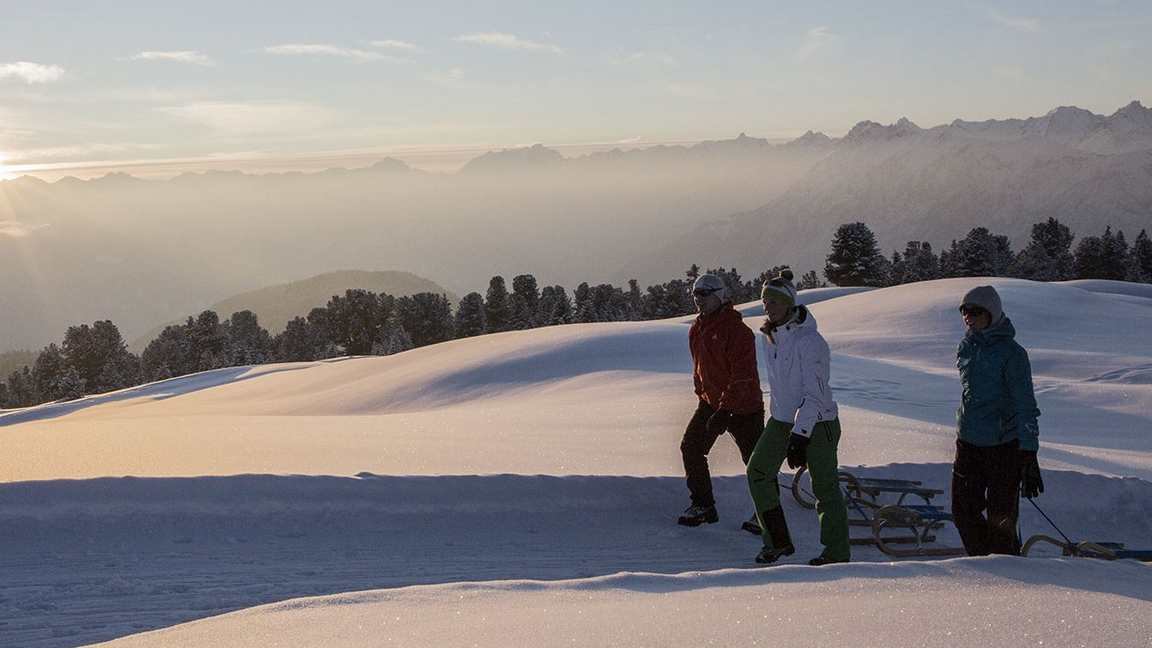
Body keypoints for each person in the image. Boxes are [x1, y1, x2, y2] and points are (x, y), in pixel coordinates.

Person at [746, 268, 850, 566]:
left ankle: (836, 553)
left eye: (774, 302)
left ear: (790, 305)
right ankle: (777, 541)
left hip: (819, 423)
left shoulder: (810, 341)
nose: (768, 307)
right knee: (758, 473)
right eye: (765, 302)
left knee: (824, 487)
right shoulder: (770, 338)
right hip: (781, 421)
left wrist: (801, 434)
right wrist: (783, 423)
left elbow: (815, 395)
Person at [953, 285, 1043, 556]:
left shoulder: (1012, 353)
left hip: (1004, 447)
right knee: (962, 514)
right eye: (964, 311)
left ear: (992, 313)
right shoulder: (966, 346)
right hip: (968, 443)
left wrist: (1028, 451)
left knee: (1001, 523)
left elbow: (1026, 404)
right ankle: (984, 566)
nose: (969, 317)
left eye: (976, 311)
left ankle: (1007, 571)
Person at [677, 273, 765, 531]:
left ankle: (766, 513)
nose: (698, 299)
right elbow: (700, 368)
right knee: (691, 448)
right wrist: (703, 395)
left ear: (718, 296)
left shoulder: (737, 331)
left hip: (744, 406)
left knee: (757, 462)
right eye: (695, 294)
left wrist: (726, 409)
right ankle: (704, 505)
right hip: (711, 403)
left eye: (704, 294)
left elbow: (743, 375)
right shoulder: (697, 329)